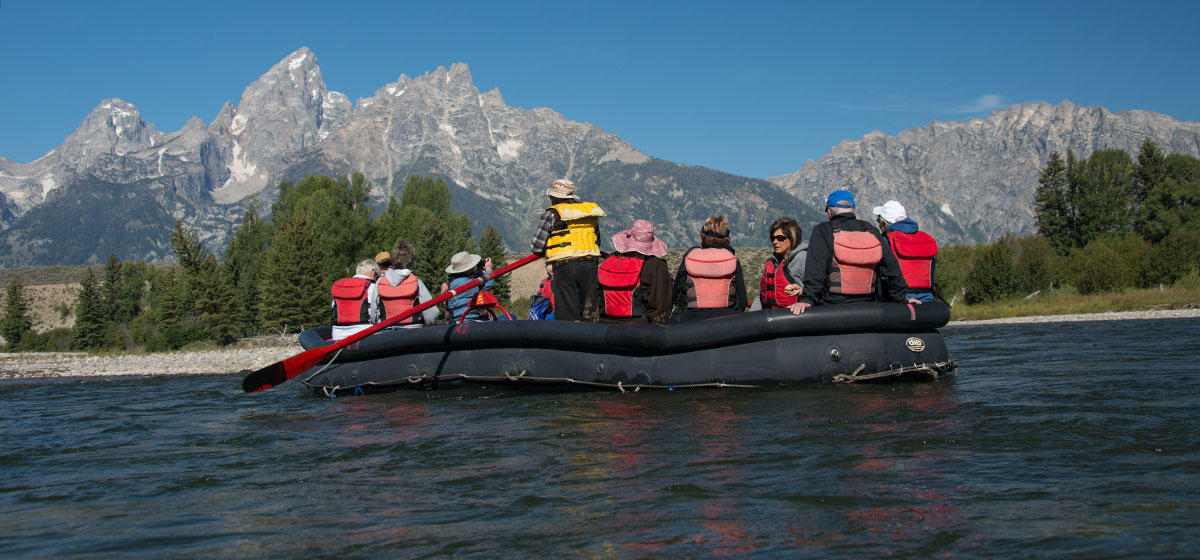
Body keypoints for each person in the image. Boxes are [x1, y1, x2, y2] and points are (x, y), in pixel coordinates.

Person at [790, 190, 921, 315]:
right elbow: (891, 266)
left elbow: (815, 269)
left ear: (829, 212)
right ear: (853, 210)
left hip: (832, 306)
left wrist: (808, 299)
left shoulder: (823, 231)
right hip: (869, 306)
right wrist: (901, 298)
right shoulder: (870, 230)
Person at [529, 179, 605, 321]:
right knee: (590, 312)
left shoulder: (553, 213)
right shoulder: (588, 212)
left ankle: (569, 335)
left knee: (567, 314)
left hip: (565, 267)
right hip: (591, 265)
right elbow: (596, 241)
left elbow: (537, 246)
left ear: (554, 197)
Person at [587, 219, 672, 325]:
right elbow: (660, 302)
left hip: (604, 323)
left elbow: (594, 295)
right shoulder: (655, 265)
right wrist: (658, 326)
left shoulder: (609, 260)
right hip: (638, 325)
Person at [671, 215, 748, 322]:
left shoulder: (689, 257)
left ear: (703, 236)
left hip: (691, 319)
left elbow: (676, 295)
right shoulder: (733, 260)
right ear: (727, 237)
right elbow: (743, 301)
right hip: (727, 319)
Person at [873, 200, 939, 303]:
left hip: (898, 300)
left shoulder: (885, 241)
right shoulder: (924, 240)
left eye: (879, 221)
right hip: (927, 299)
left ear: (884, 224)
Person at [749, 218, 808, 311]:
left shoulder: (803, 259)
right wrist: (752, 315)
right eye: (773, 238)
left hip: (794, 315)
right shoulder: (772, 262)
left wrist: (801, 291)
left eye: (780, 238)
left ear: (792, 237)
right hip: (770, 315)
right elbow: (762, 294)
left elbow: (815, 289)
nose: (775, 242)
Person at [376, 241, 439, 326]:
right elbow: (432, 313)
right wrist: (427, 326)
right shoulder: (417, 282)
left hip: (386, 330)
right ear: (412, 261)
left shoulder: (380, 282)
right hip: (413, 330)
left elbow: (374, 311)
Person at [330, 259, 383, 341]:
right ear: (374, 273)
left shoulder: (341, 288)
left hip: (338, 335)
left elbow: (333, 307)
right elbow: (377, 312)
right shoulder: (373, 288)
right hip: (364, 334)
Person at [441, 251, 494, 323]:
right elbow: (487, 284)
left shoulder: (451, 282)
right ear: (467, 270)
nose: (473, 268)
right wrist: (488, 269)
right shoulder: (468, 284)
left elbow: (473, 281)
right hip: (471, 321)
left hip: (457, 322)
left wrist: (480, 273)